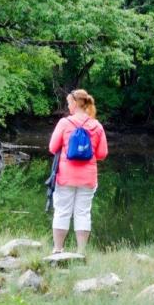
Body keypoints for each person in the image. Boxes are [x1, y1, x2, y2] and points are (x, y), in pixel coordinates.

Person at [48, 89, 108, 254]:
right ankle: (81, 252)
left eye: (68, 103)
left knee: (62, 211)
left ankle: (58, 249)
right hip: (88, 178)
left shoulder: (65, 123)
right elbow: (102, 154)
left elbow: (53, 148)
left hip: (65, 177)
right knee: (83, 213)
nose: (68, 106)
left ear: (75, 103)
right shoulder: (97, 125)